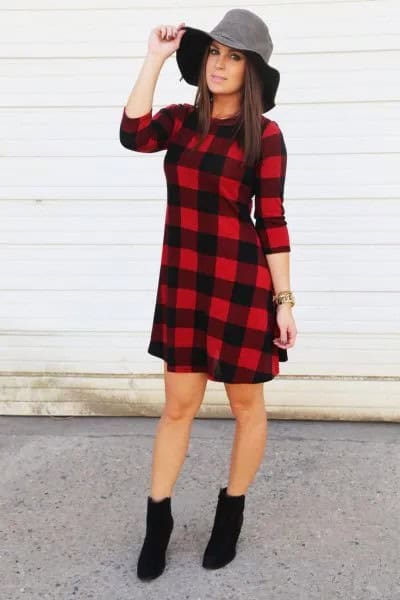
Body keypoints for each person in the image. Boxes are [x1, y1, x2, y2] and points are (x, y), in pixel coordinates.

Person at [119, 9, 297, 581]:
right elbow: (131, 134)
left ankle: (230, 517)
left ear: (253, 73)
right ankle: (158, 522)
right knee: (177, 409)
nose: (221, 64)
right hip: (185, 285)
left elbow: (271, 219)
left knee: (247, 408)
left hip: (242, 288)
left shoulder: (264, 136)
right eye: (216, 53)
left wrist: (284, 301)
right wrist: (155, 57)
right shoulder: (179, 121)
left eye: (235, 57)